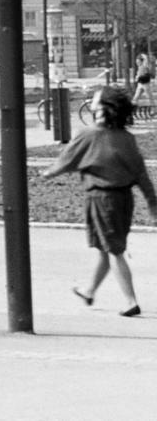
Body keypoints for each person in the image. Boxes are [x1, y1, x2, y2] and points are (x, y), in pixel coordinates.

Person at [40, 87, 157, 317]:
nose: (91, 102)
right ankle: (89, 290)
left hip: (102, 199)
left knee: (114, 250)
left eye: (94, 99)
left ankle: (130, 301)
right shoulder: (126, 138)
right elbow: (140, 173)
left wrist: (46, 174)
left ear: (103, 107)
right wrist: (152, 202)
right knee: (107, 248)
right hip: (124, 199)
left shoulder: (88, 134)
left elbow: (65, 161)